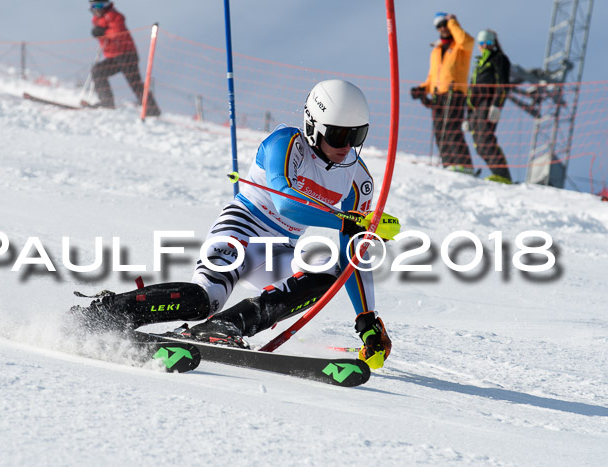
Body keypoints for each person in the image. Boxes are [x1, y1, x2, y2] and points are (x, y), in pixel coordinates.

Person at [72, 80, 397, 369]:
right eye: (339, 134)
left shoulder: (358, 180)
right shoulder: (285, 142)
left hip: (279, 249)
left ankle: (225, 327)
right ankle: (108, 312)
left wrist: (367, 319)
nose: (346, 146)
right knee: (204, 299)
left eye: (357, 136)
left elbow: (353, 251)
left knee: (328, 271)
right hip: (241, 228)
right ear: (313, 125)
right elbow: (285, 202)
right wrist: (345, 221)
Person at [411, 12, 474, 173]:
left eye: (444, 24)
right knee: (440, 131)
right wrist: (422, 88)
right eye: (439, 26)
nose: (442, 28)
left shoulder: (460, 46)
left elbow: (466, 41)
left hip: (455, 92)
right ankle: (449, 164)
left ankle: (464, 165)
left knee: (452, 128)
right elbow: (432, 77)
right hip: (439, 95)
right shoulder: (436, 51)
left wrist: (453, 22)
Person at [88, 0, 161, 115]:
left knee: (135, 83)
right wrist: (98, 32)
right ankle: (106, 102)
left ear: (105, 5)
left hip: (127, 55)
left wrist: (103, 32)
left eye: (98, 5)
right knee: (98, 71)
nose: (96, 8)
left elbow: (117, 32)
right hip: (113, 57)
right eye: (93, 6)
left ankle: (152, 110)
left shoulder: (115, 16)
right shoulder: (97, 20)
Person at [465, 29, 512, 184]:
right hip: (475, 106)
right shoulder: (478, 63)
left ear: (493, 43)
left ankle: (502, 174)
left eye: (488, 42)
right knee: (478, 142)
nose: (485, 45)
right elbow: (471, 87)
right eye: (482, 43)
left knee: (486, 137)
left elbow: (503, 84)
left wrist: (496, 105)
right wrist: (467, 114)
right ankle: (497, 173)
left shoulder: (499, 59)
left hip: (488, 102)